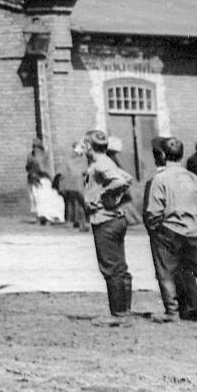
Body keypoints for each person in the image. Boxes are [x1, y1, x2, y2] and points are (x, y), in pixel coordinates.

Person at [144, 136, 197, 322]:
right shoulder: (193, 177)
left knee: (165, 272)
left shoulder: (160, 179)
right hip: (192, 231)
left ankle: (172, 312)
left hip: (168, 230)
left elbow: (153, 211)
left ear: (163, 155)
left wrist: (156, 228)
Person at [81, 129, 136, 325]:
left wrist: (102, 196)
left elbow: (120, 181)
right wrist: (114, 197)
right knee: (119, 266)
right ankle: (124, 310)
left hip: (105, 220)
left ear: (89, 145)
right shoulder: (106, 162)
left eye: (84, 144)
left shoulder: (100, 164)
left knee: (110, 267)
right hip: (116, 218)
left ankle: (118, 314)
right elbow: (127, 178)